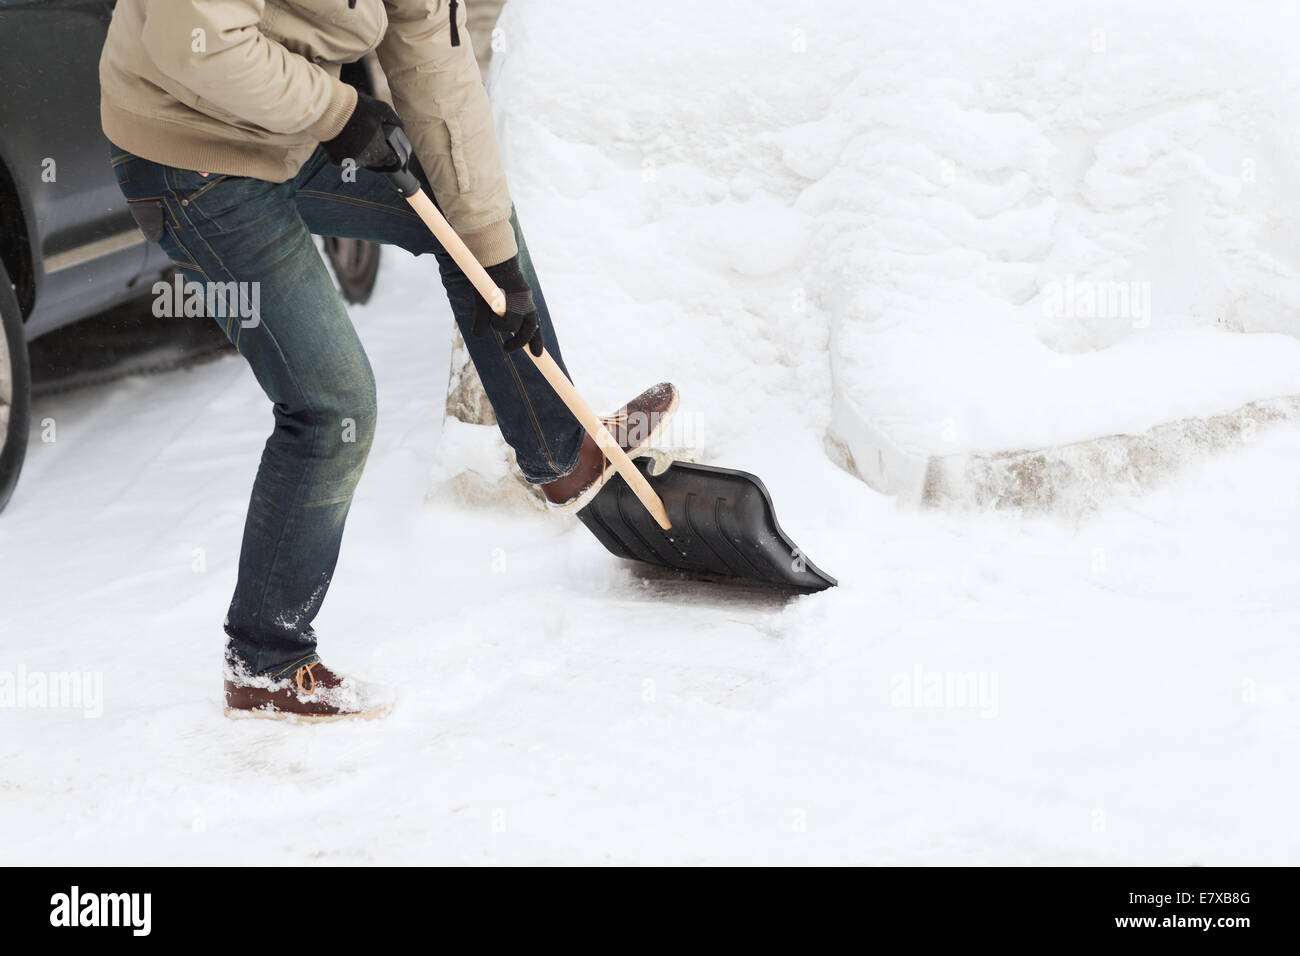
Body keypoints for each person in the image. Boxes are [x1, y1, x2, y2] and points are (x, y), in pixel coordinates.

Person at [98, 0, 678, 722]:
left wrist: (499, 266)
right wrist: (340, 112)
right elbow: (198, 44)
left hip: (285, 124)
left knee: (470, 228)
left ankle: (562, 455)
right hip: (189, 154)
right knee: (332, 405)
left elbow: (439, 75)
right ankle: (266, 661)